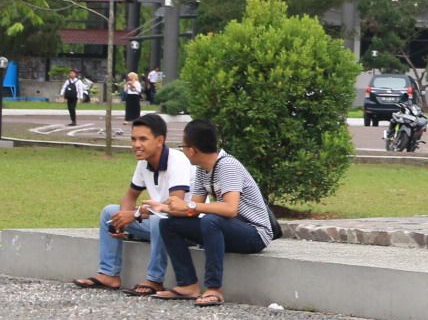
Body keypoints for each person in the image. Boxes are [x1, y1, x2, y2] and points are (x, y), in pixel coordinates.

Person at [151, 119, 275, 305]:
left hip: (255, 234)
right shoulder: (202, 169)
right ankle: (188, 285)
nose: (182, 151)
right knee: (169, 224)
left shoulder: (227, 166)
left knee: (211, 219)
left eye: (183, 146)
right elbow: (193, 208)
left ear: (192, 150)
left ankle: (214, 289)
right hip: (229, 229)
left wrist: (189, 207)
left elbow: (230, 209)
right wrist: (165, 208)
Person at [71, 113, 196, 294]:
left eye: (143, 139)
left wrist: (136, 215)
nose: (136, 145)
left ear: (160, 140)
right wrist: (122, 220)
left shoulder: (177, 161)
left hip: (186, 227)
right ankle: (109, 274)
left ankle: (155, 280)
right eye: (133, 139)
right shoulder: (144, 162)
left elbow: (173, 207)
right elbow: (130, 196)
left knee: (160, 220)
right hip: (159, 223)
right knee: (109, 212)